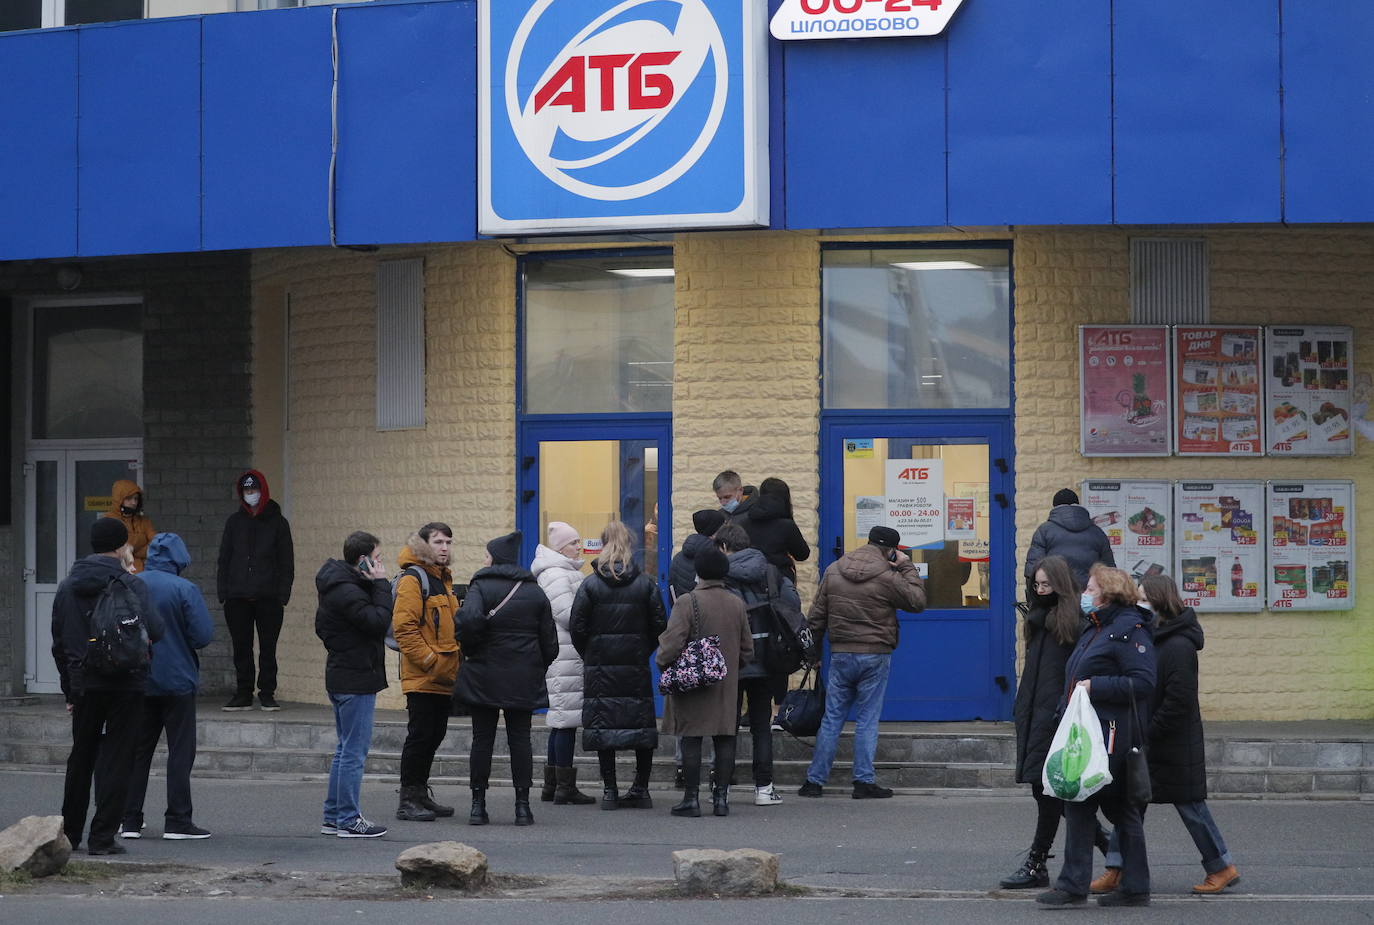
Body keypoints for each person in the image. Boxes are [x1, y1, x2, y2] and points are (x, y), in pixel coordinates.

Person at [1094, 575, 1239, 896]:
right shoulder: (1151, 637)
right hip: (1149, 738)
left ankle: (1222, 867)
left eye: (1144, 598)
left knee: (1191, 807)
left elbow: (1179, 700)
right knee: (1129, 805)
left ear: (1161, 601)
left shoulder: (1178, 645)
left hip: (1173, 742)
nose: (1138, 604)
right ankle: (1115, 868)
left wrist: (1146, 731)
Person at [1037, 565, 1156, 908]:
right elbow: (1074, 677)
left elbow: (1144, 682)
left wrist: (1096, 686)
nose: (1084, 595)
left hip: (1113, 735)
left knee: (1113, 809)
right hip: (1088, 732)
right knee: (1087, 806)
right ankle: (1127, 887)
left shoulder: (1129, 630)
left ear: (1108, 593)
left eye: (1089, 589)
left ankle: (1083, 886)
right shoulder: (1097, 628)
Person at [52, 519, 165, 855]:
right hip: (127, 682)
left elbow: (59, 643)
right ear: (120, 547)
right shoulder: (132, 585)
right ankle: (102, 837)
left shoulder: (67, 586)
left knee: (81, 756)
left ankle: (70, 833)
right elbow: (155, 630)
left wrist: (69, 689)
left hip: (84, 682)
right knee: (118, 758)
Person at [800, 525, 925, 799]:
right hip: (875, 653)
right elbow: (917, 601)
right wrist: (907, 567)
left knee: (832, 718)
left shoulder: (834, 570)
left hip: (841, 653)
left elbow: (816, 618)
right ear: (892, 551)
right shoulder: (888, 576)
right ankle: (863, 781)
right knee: (867, 719)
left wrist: (813, 656)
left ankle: (814, 781)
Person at [453, 531, 559, 826]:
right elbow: (550, 643)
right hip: (522, 676)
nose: (484, 560)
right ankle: (522, 807)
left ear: (495, 558)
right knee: (520, 740)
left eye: (487, 555)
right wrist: (534, 665)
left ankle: (478, 806)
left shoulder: (481, 586)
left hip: (484, 674)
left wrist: (472, 650)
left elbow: (469, 620)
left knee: (482, 739)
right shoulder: (534, 591)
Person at [121, 533, 215, 841]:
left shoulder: (132, 583)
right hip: (177, 681)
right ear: (179, 558)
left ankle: (130, 820)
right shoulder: (184, 588)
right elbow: (202, 635)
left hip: (138, 680)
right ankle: (178, 820)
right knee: (179, 752)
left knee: (137, 752)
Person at [1001, 555, 1087, 888]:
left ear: (1060, 585)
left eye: (1046, 584)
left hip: (1057, 717)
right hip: (1035, 713)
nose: (1040, 590)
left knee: (1050, 789)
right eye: (1036, 585)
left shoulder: (1072, 622)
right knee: (1045, 791)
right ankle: (1107, 845)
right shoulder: (1038, 619)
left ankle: (1037, 862)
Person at [570, 520, 667, 811]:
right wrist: (641, 649)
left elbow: (577, 627)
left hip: (600, 666)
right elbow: (659, 624)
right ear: (631, 545)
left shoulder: (590, 585)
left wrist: (592, 652)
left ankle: (610, 790)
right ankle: (641, 789)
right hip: (635, 663)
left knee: (604, 726)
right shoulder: (645, 583)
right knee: (641, 727)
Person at [657, 545, 753, 818]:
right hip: (725, 683)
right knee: (724, 738)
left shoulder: (687, 602)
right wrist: (730, 668)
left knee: (691, 738)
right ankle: (721, 799)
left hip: (692, 682)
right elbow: (747, 649)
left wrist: (664, 663)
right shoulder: (736, 603)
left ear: (698, 572)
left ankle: (691, 799)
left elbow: (672, 643)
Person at [715, 522, 804, 807]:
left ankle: (722, 790)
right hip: (766, 657)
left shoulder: (719, 575)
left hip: (730, 658)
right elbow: (792, 605)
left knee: (726, 727)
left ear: (725, 548)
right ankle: (764, 788)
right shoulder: (770, 571)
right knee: (761, 726)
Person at [315, 530, 392, 839]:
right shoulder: (349, 591)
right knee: (353, 752)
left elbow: (323, 628)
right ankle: (348, 818)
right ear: (363, 561)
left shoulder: (339, 585)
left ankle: (333, 816)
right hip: (355, 677)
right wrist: (382, 584)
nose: (380, 563)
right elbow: (377, 621)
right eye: (377, 558)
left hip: (344, 673)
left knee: (344, 749)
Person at [391, 523, 461, 822]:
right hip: (423, 676)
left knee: (434, 734)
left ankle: (420, 793)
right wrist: (431, 661)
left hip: (443, 677)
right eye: (437, 542)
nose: (444, 547)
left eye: (447, 542)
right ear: (423, 545)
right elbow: (404, 629)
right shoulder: (413, 578)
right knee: (420, 736)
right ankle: (408, 800)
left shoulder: (443, 579)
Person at [216, 470, 295, 712]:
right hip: (237, 597)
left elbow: (286, 561)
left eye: (254, 490)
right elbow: (225, 559)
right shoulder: (234, 522)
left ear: (263, 491)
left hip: (268, 597)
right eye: (247, 491)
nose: (251, 495)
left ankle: (267, 692)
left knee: (268, 648)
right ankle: (243, 692)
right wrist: (224, 593)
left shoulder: (278, 523)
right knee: (242, 647)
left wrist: (282, 594)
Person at [532, 522, 596, 805]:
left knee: (560, 720)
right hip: (565, 654)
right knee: (565, 720)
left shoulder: (560, 571)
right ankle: (564, 788)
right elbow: (568, 614)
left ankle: (552, 785)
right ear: (560, 547)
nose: (578, 546)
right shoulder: (557, 574)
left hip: (564, 653)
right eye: (573, 542)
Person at [1024, 488, 1115, 587]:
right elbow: (1109, 571)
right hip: (1089, 595)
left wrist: (1035, 598)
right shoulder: (1097, 532)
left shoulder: (1044, 531)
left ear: (1055, 507)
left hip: (1055, 595)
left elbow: (1033, 569)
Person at [740, 477, 811, 584]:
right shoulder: (787, 526)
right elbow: (802, 554)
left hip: (751, 582)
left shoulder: (744, 523)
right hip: (781, 583)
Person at [668, 509, 726, 603]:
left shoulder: (678, 558)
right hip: (710, 613)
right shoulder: (717, 557)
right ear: (714, 530)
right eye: (722, 527)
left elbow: (671, 591)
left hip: (685, 613)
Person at [103, 479, 155, 573]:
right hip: (118, 573)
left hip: (144, 573)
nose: (133, 502)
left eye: (136, 499)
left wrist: (131, 550)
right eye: (129, 498)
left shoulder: (144, 521)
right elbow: (117, 547)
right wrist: (142, 539)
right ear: (119, 499)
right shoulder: (109, 520)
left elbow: (155, 545)